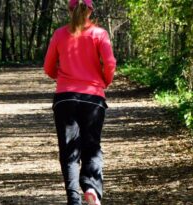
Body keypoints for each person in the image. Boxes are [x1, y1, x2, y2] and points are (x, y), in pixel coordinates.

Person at [43, 0, 116, 204]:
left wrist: (64, 77)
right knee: (91, 146)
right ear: (90, 10)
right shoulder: (99, 34)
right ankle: (91, 188)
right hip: (94, 98)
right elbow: (110, 63)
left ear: (70, 10)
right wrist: (104, 81)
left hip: (65, 99)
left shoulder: (59, 34)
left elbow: (48, 68)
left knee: (69, 152)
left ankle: (74, 199)